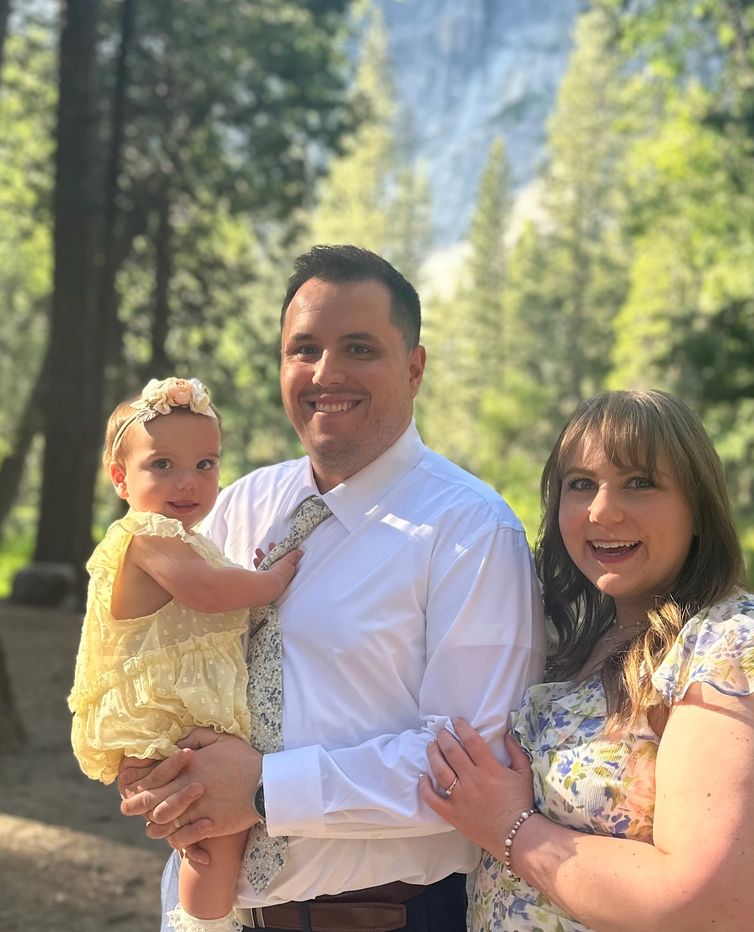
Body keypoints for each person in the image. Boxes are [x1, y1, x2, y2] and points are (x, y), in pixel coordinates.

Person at [118, 245, 545, 931]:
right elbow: (175, 657)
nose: (326, 374)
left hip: (382, 918)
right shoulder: (244, 503)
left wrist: (262, 789)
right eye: (304, 349)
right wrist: (152, 763)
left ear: (414, 367)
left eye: (359, 349)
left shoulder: (470, 529)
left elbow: (471, 766)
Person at [420, 390, 754, 931]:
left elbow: (718, 912)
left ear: (699, 509)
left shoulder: (740, 650)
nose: (602, 510)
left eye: (640, 483)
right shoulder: (579, 645)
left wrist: (509, 827)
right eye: (581, 484)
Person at [68, 376, 302, 931]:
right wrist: (269, 582)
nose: (188, 482)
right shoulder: (146, 536)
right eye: (163, 465)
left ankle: (210, 915)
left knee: (214, 835)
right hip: (167, 717)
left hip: (185, 713)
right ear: (121, 478)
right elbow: (204, 592)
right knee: (209, 837)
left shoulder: (188, 536)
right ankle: (204, 923)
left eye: (205, 465)